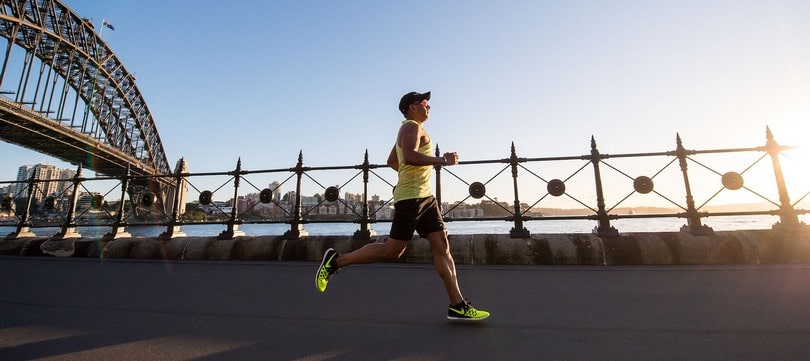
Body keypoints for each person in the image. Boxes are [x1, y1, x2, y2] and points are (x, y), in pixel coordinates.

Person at [315, 91, 490, 321]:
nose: (429, 107)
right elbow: (408, 157)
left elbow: (393, 161)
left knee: (442, 244)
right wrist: (441, 161)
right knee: (393, 250)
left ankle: (457, 304)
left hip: (426, 198)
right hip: (411, 199)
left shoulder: (412, 128)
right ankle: (335, 261)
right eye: (425, 102)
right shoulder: (410, 127)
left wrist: (412, 176)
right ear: (412, 106)